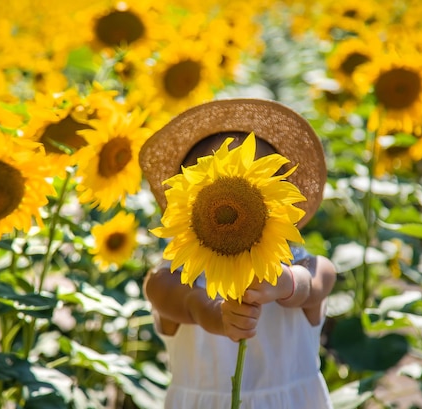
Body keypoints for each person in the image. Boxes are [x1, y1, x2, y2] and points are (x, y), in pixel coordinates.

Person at [139, 98, 337, 409]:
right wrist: (213, 315)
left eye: (254, 179)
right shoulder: (179, 273)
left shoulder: (294, 263)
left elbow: (319, 278)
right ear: (185, 199)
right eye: (211, 181)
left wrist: (285, 283)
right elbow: (164, 291)